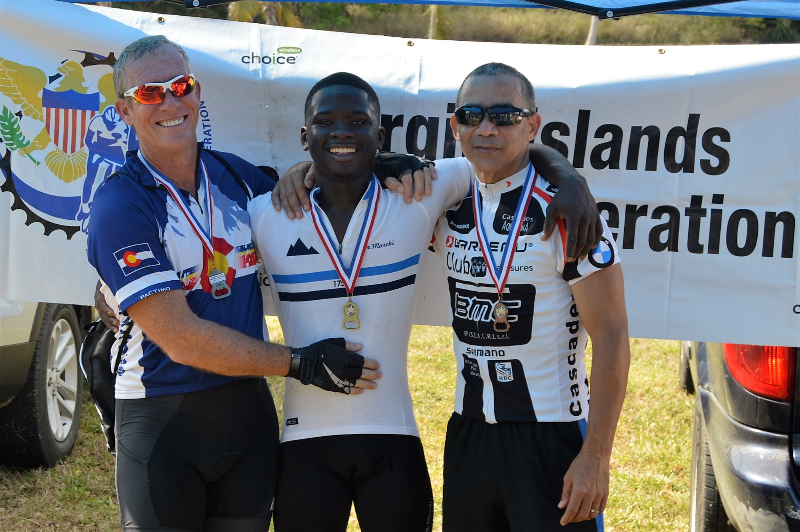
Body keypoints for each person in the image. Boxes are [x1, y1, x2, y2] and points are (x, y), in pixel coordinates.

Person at [252, 72, 606, 532]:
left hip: (398, 440)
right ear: (304, 135)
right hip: (310, 443)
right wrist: (302, 171)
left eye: (357, 123)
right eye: (326, 123)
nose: (341, 132)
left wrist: (570, 179)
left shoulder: (420, 194)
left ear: (378, 138)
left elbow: (515, 152)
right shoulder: (265, 212)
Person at [86, 36, 382, 532]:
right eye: (150, 93)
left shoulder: (236, 177)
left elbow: (332, 188)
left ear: (197, 92)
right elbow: (180, 340)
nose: (170, 102)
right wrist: (301, 363)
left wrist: (386, 165)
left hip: (246, 418)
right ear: (124, 111)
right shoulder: (122, 205)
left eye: (180, 86)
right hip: (161, 421)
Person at [430, 63, 630, 531]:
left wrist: (596, 456)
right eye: (472, 114)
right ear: (454, 125)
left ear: (532, 125)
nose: (486, 128)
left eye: (504, 116)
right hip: (469, 433)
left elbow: (613, 336)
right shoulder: (444, 204)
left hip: (551, 436)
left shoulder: (567, 211)